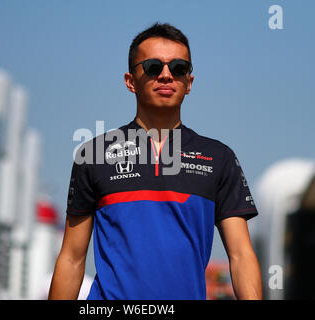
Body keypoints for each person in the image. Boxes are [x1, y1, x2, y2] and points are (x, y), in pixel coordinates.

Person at [49, 23, 262, 300]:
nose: (165, 75)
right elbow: (72, 258)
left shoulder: (218, 158)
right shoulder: (94, 154)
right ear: (130, 81)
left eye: (178, 68)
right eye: (152, 67)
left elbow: (241, 255)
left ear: (189, 83)